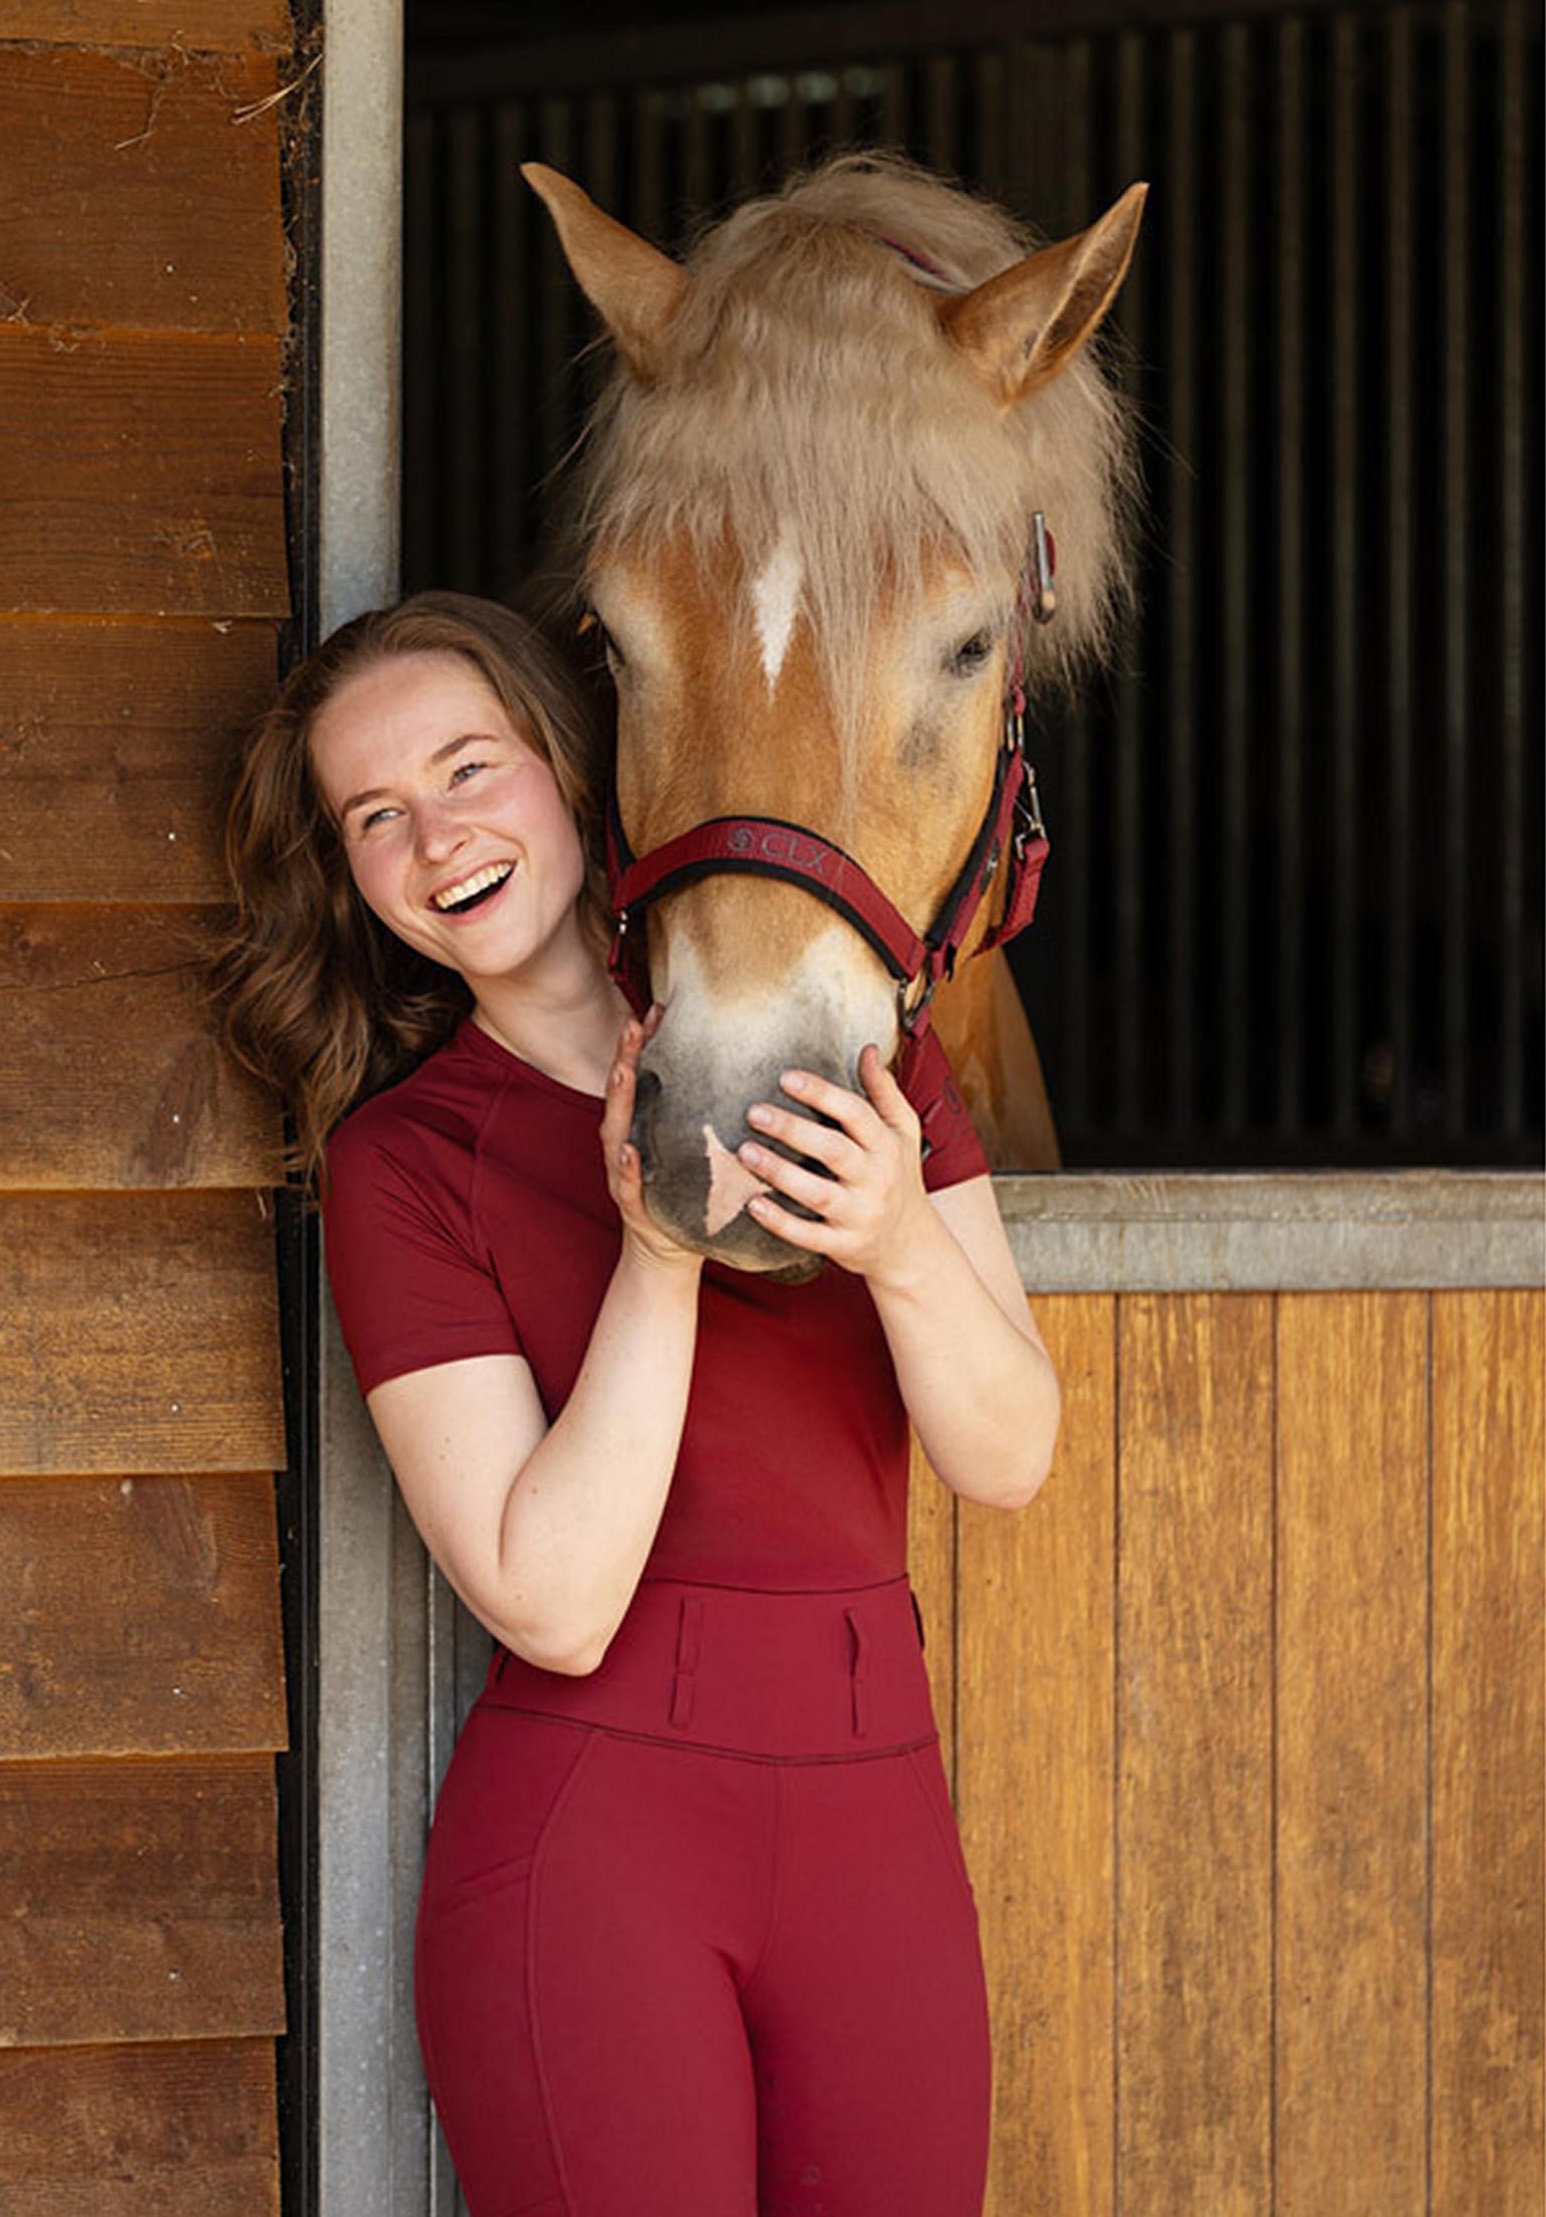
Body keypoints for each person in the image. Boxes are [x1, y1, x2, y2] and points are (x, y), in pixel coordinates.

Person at [212, 587, 1061, 2217]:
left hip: (880, 1819)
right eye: (374, 816)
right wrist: (659, 1251)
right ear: (349, 874)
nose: (437, 838)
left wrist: (896, 1238)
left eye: (470, 768)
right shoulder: (404, 1166)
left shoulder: (863, 1049)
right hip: (597, 1853)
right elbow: (555, 1601)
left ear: (572, 760)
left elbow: (1009, 1454)